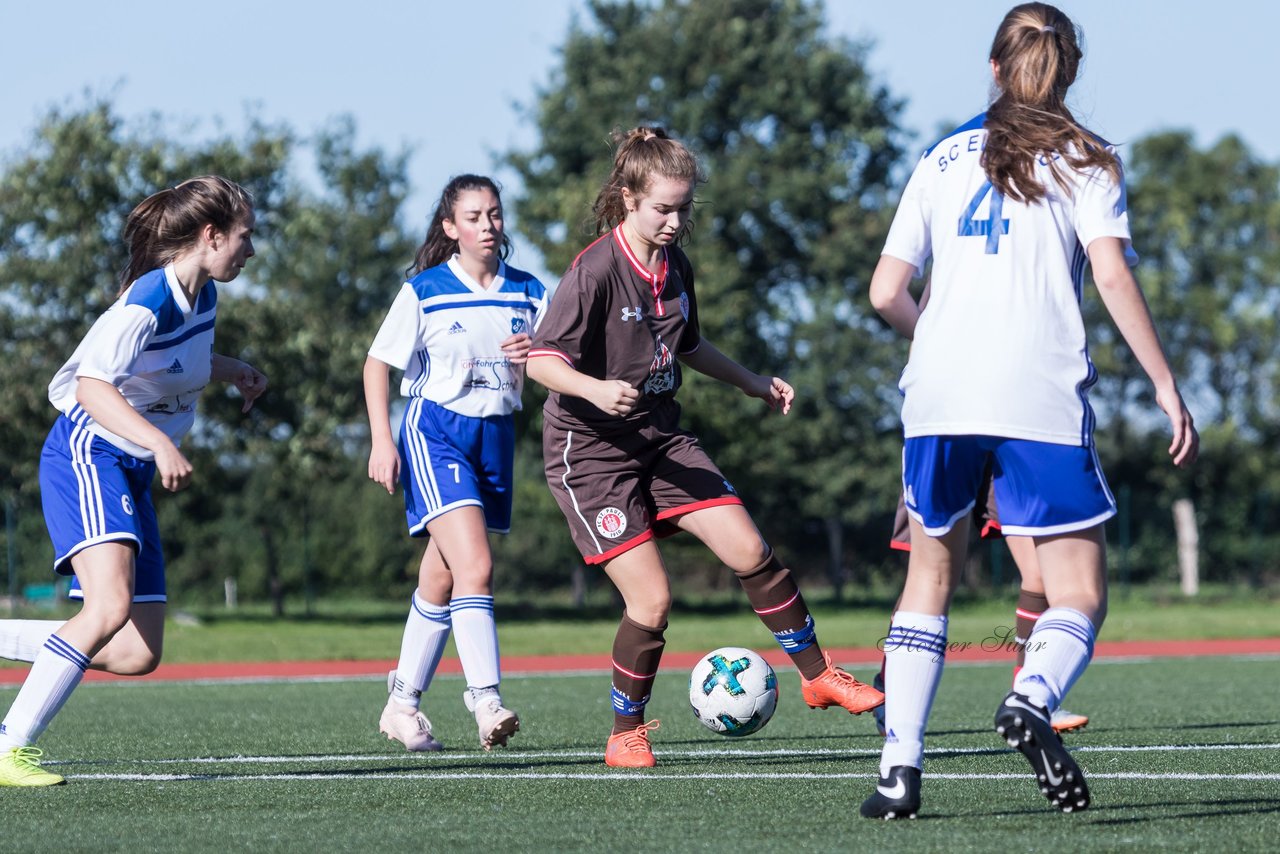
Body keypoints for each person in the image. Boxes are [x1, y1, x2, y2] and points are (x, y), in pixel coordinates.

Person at [859, 2, 1197, 819]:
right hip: (1035, 395)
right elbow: (1111, 277)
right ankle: (1031, 695)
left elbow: (884, 293)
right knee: (1078, 591)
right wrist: (1163, 382)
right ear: (1070, 72)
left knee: (927, 581)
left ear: (993, 66)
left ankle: (898, 771)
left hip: (936, 395)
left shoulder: (939, 157)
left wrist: (933, 327)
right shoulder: (1089, 157)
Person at [526, 126, 884, 769]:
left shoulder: (676, 266)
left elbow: (688, 343)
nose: (674, 220)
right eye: (663, 207)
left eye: (684, 208)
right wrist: (595, 389)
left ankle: (819, 674)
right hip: (592, 452)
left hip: (661, 436)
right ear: (628, 198)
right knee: (652, 601)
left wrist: (751, 382)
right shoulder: (596, 269)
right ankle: (624, 732)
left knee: (750, 548)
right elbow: (543, 362)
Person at [0, 176, 266, 787]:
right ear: (211, 235)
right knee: (109, 606)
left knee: (136, 651)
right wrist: (159, 440)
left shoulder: (204, 297)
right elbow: (92, 388)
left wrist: (234, 372)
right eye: (245, 237)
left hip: (129, 464)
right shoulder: (149, 298)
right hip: (88, 453)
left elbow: (173, 367)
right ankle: (11, 747)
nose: (251, 250)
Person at [363, 175, 547, 752]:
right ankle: (485, 700)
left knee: (441, 575)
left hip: (496, 437)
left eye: (494, 214)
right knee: (477, 566)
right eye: (473, 216)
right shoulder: (425, 290)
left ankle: (401, 704)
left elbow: (564, 355)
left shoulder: (529, 290)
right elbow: (376, 365)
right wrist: (380, 442)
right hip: (435, 431)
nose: (487, 225)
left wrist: (542, 353)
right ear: (450, 228)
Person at [877, 482, 1091, 736]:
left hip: (1002, 453)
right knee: (928, 578)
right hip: (944, 447)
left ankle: (1030, 698)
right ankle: (890, 693)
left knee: (1039, 575)